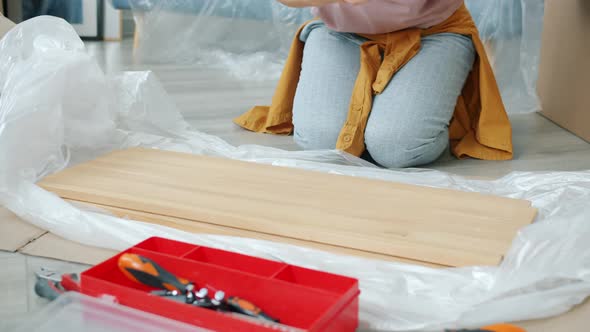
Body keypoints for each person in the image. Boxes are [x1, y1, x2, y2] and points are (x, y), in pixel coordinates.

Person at [235, 0, 513, 168]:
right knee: (320, 140)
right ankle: (384, 106)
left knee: (397, 149)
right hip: (341, 32)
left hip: (434, 31)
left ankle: (439, 106)